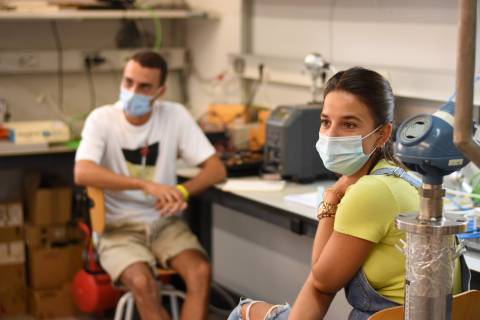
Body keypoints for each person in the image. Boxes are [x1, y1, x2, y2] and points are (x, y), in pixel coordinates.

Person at [227, 67, 463, 320]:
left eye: (349, 124)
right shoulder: (399, 175)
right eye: (326, 122)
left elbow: (321, 281)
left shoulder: (371, 191)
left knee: (243, 311)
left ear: (383, 133)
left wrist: (330, 198)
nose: (331, 135)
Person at [74, 51, 226, 320]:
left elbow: (216, 169)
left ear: (160, 91)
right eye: (128, 82)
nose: (133, 92)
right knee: (143, 283)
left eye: (144, 86)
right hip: (116, 228)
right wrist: (145, 185)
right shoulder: (102, 119)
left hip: (164, 224)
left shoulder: (175, 115)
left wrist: (180, 191)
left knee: (200, 272)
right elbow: (82, 172)